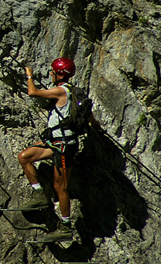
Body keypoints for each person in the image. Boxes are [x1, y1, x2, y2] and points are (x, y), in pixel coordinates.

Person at [16, 57, 101, 242]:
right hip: (56, 142)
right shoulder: (74, 92)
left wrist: (29, 76)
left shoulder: (61, 91)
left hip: (64, 146)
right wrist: (95, 125)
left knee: (60, 187)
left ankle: (65, 227)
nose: (50, 74)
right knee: (24, 157)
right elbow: (87, 113)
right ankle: (39, 195)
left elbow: (32, 92)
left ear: (60, 74)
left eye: (53, 71)